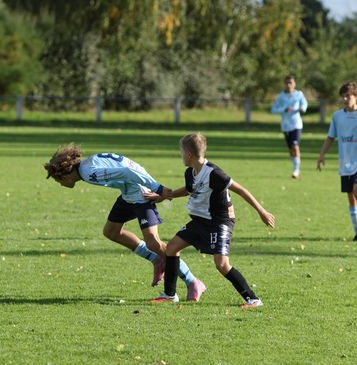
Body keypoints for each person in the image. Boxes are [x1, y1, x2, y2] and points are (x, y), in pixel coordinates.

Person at [44, 144, 206, 300]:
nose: (61, 185)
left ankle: (193, 281)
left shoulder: (89, 173)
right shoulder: (87, 165)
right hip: (128, 193)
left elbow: (127, 171)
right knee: (111, 231)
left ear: (65, 174)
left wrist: (158, 189)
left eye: (59, 181)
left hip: (141, 194)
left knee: (154, 243)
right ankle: (156, 259)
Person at [148, 133, 275, 308]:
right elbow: (189, 189)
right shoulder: (190, 173)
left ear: (189, 155)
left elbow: (240, 189)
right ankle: (170, 295)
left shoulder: (215, 174)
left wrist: (261, 211)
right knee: (171, 248)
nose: (181, 156)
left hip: (219, 221)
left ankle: (253, 299)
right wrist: (165, 196)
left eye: (181, 153)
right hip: (200, 221)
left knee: (222, 264)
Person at [317, 81, 357, 241]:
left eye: (348, 96)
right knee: (351, 197)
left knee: (356, 190)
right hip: (345, 163)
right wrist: (321, 155)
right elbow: (330, 137)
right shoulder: (337, 116)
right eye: (343, 96)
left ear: (355, 96)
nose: (345, 99)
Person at [271, 75, 308, 179]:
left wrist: (302, 108)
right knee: (291, 149)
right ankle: (296, 166)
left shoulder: (299, 94)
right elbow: (273, 109)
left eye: (290, 83)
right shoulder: (281, 96)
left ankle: (296, 170)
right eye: (287, 83)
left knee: (295, 146)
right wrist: (284, 109)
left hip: (296, 124)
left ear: (294, 84)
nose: (288, 85)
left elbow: (304, 104)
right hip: (285, 126)